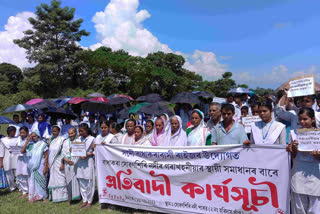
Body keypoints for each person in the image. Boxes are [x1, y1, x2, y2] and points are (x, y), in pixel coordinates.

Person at [287, 107, 320, 213]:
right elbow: (292, 156)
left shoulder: (318, 135)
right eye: (300, 119)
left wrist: (317, 155)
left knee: (315, 208)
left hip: (315, 175)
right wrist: (293, 149)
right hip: (298, 174)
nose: (302, 122)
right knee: (299, 208)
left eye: (305, 119)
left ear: (313, 119)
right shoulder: (294, 134)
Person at [21, 130, 49, 202]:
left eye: (35, 136)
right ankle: (36, 196)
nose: (33, 138)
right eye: (32, 136)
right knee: (33, 181)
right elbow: (22, 151)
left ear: (38, 136)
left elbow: (46, 156)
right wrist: (27, 141)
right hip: (32, 166)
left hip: (40, 164)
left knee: (41, 180)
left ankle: (44, 197)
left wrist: (46, 167)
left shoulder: (43, 144)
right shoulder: (30, 145)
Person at [76, 123, 95, 209]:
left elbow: (96, 151)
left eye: (82, 131)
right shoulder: (79, 139)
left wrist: (88, 154)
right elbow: (75, 149)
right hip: (80, 162)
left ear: (87, 130)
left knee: (89, 182)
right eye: (79, 131)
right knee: (81, 181)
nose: (80, 132)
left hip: (89, 161)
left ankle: (90, 201)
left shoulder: (92, 139)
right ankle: (84, 200)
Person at [48, 125, 68, 202]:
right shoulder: (52, 140)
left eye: (56, 131)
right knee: (53, 178)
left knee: (61, 178)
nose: (54, 133)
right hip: (52, 163)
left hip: (59, 162)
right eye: (53, 131)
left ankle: (63, 196)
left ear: (59, 131)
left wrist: (62, 163)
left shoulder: (63, 140)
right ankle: (55, 196)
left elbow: (64, 153)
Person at [61, 127, 81, 204]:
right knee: (68, 180)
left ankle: (77, 197)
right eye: (69, 133)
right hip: (67, 163)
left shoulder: (78, 141)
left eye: (72, 133)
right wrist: (67, 160)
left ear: (75, 133)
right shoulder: (65, 142)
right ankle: (70, 197)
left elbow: (81, 152)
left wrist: (74, 152)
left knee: (75, 180)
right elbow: (62, 153)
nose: (70, 135)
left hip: (76, 163)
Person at [0, 126, 18, 192]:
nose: (14, 133)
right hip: (7, 159)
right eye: (13, 131)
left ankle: (19, 187)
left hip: (16, 157)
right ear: (9, 132)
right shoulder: (3, 140)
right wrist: (1, 162)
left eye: (15, 131)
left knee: (17, 173)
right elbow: (1, 152)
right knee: (9, 174)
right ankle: (12, 187)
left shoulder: (17, 139)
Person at [16, 126, 29, 198]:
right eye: (21, 132)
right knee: (20, 174)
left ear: (27, 133)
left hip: (27, 159)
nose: (22, 134)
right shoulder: (18, 139)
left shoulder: (29, 140)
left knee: (27, 174)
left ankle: (29, 191)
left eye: (24, 132)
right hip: (20, 159)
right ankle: (24, 191)